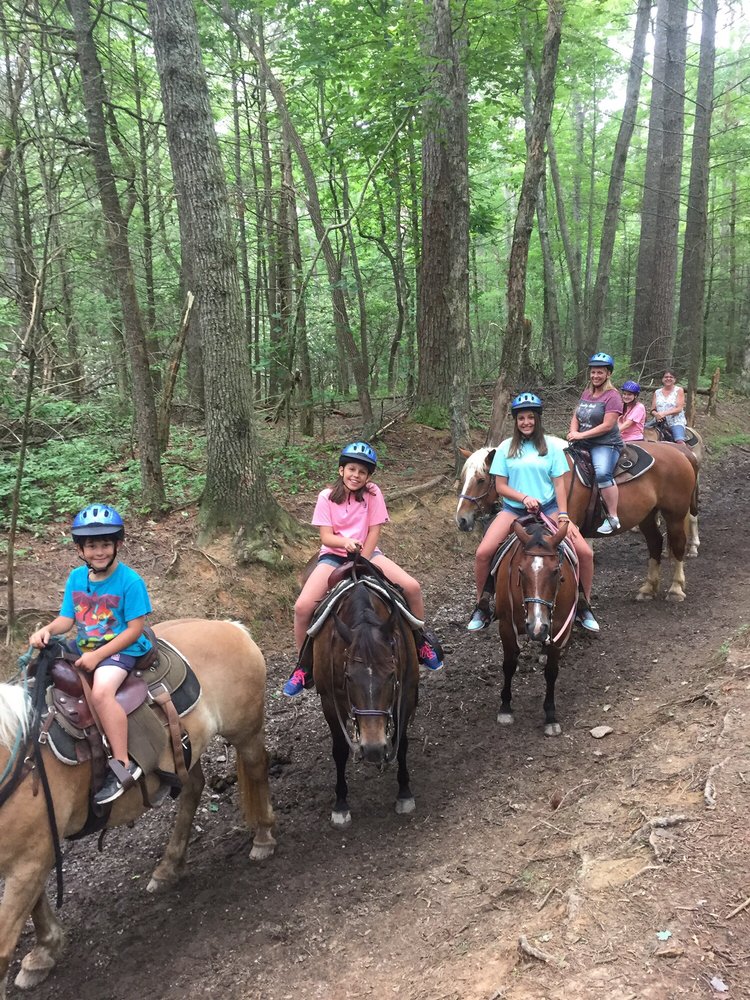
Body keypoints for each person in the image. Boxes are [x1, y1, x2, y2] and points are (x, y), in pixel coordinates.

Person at [283, 442, 443, 696]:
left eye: (362, 472)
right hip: (334, 557)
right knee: (302, 607)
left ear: (368, 477)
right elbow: (326, 536)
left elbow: (374, 529)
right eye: (352, 469)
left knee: (412, 587)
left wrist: (363, 560)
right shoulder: (326, 497)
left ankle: (420, 642)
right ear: (341, 470)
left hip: (368, 554)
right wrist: (344, 542)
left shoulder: (373, 494)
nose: (356, 475)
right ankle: (304, 667)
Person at [29, 504, 152, 805]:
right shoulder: (76, 579)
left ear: (117, 545)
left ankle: (123, 765)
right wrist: (47, 630)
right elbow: (67, 620)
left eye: (105, 544)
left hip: (121, 648)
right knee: (42, 673)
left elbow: (135, 629)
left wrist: (99, 657)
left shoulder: (130, 581)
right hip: (85, 645)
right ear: (81, 549)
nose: (99, 551)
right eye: (92, 545)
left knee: (101, 694)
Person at [466, 393, 600, 633]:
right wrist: (524, 498)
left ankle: (583, 605)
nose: (526, 422)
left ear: (538, 419)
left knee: (585, 553)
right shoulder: (506, 447)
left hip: (548, 509)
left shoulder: (551, 447)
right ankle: (482, 605)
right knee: (483, 552)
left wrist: (563, 514)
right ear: (515, 421)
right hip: (514, 510)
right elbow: (501, 487)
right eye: (521, 418)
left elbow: (559, 484)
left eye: (530, 417)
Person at [567, 352, 624, 534]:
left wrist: (581, 436)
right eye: (593, 372)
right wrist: (574, 431)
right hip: (582, 441)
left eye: (600, 372)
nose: (595, 376)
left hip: (605, 444)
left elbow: (608, 425)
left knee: (602, 474)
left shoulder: (613, 396)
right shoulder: (587, 393)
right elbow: (577, 414)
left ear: (608, 374)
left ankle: (613, 517)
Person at [651, 369, 687, 442]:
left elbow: (679, 408)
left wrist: (663, 414)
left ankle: (685, 452)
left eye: (671, 377)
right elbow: (652, 409)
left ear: (675, 379)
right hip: (658, 422)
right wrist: (656, 414)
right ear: (662, 379)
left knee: (679, 440)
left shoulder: (679, 390)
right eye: (666, 377)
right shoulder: (657, 392)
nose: (668, 378)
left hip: (675, 421)